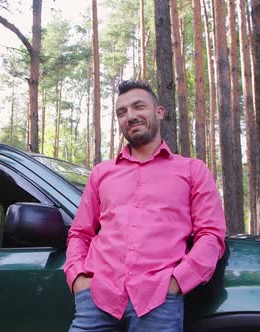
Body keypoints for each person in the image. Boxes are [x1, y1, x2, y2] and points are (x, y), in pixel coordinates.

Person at [64, 80, 226, 332]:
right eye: (122, 112)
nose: (130, 116)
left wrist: (178, 281)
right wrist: (78, 278)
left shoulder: (193, 170)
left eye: (139, 107)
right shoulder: (101, 173)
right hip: (97, 300)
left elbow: (211, 235)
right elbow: (79, 233)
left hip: (158, 302)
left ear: (159, 112)